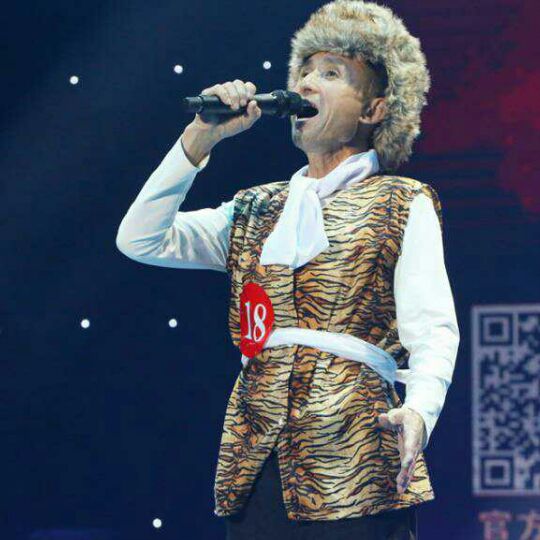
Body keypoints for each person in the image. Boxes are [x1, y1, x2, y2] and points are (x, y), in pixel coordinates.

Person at [116, 1, 460, 538]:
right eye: (304, 71)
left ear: (373, 110)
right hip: (258, 452)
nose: (306, 83)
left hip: (354, 452)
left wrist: (420, 410)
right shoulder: (256, 208)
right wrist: (201, 138)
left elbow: (433, 327)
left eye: (331, 73)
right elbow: (140, 238)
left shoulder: (400, 200)